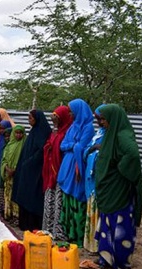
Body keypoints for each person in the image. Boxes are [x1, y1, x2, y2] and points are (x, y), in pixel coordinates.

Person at [95, 104, 142, 269]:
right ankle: (106, 258)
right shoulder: (111, 134)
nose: (102, 122)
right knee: (108, 222)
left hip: (119, 189)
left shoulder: (123, 136)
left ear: (113, 118)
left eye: (103, 119)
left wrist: (119, 168)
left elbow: (133, 154)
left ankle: (120, 261)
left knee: (120, 222)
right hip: (109, 188)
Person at [57, 99, 95, 248]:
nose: (70, 114)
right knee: (67, 199)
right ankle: (68, 234)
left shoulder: (89, 128)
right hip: (68, 166)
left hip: (77, 167)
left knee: (77, 199)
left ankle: (77, 236)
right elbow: (63, 145)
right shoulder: (72, 127)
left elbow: (82, 147)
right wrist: (73, 145)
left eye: (72, 111)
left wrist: (72, 146)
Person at [12, 110, 51, 231]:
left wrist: (29, 163)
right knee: (25, 194)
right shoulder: (33, 132)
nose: (29, 120)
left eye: (31, 118)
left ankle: (33, 225)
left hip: (36, 171)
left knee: (32, 196)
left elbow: (41, 151)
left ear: (37, 119)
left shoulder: (43, 132)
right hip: (27, 170)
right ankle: (24, 224)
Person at [42, 105, 73, 241]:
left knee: (59, 202)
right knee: (50, 200)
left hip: (61, 171)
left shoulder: (68, 132)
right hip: (51, 171)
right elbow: (49, 143)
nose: (55, 121)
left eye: (58, 118)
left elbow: (61, 148)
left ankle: (58, 232)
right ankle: (48, 229)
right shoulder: (55, 131)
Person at [82, 104, 106, 253]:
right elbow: (87, 150)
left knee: (99, 210)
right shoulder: (98, 133)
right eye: (98, 118)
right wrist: (92, 149)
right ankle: (90, 243)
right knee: (91, 208)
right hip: (90, 177)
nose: (99, 122)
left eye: (101, 119)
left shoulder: (110, 135)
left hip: (100, 179)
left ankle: (98, 245)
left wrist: (95, 149)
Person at [1, 125, 26, 224]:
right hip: (8, 175)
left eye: (20, 133)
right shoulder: (9, 145)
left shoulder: (24, 145)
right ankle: (8, 214)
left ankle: (16, 217)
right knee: (8, 195)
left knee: (16, 196)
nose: (18, 135)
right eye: (16, 132)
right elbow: (3, 160)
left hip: (18, 176)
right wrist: (7, 168)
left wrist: (15, 170)